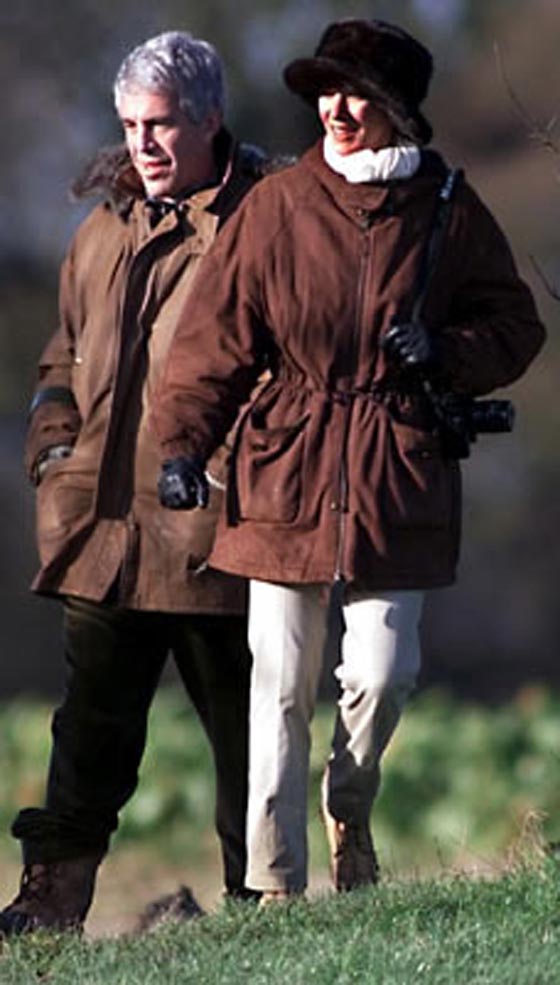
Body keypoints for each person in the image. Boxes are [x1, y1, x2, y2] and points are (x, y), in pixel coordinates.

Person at [153, 19, 546, 904]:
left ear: (397, 109)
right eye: (325, 90)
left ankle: (350, 808)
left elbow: (518, 327)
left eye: (356, 92)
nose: (334, 108)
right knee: (278, 687)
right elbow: (214, 342)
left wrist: (446, 352)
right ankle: (276, 883)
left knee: (383, 674)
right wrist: (182, 445)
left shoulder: (448, 207)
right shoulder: (277, 205)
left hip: (396, 470)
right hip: (283, 467)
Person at [0, 30, 268, 935]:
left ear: (209, 119)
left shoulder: (262, 223)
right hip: (101, 533)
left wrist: (236, 473)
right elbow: (61, 358)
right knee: (87, 733)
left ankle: (258, 907)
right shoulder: (101, 228)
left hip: (216, 536)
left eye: (159, 125)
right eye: (128, 125)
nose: (141, 144)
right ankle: (51, 904)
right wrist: (53, 457)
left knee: (246, 736)